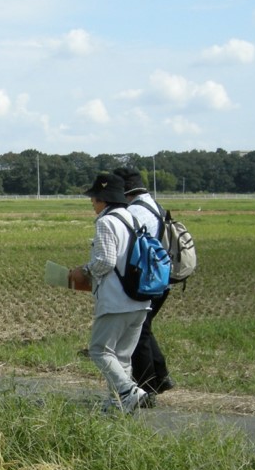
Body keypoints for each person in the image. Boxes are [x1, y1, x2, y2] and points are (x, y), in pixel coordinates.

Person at [69, 172, 151, 414]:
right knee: (122, 357)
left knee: (99, 349)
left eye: (93, 198)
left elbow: (105, 261)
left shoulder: (106, 222)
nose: (92, 203)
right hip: (140, 300)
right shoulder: (133, 219)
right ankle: (116, 405)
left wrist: (82, 271)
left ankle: (129, 391)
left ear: (103, 199)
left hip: (117, 300)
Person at [113, 167, 176, 399]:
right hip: (162, 277)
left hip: (146, 280)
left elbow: (127, 247)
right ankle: (161, 377)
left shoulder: (136, 212)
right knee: (144, 329)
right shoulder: (154, 205)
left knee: (137, 332)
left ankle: (146, 388)